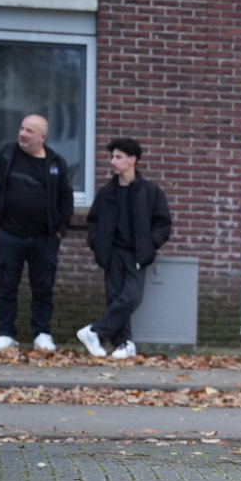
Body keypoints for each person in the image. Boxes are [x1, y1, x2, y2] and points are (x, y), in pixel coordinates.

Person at [0, 114, 74, 352]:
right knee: (7, 286)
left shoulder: (55, 164)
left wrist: (61, 230)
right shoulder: (6, 155)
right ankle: (6, 333)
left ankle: (42, 334)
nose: (22, 134)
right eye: (21, 128)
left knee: (43, 288)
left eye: (29, 131)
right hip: (10, 235)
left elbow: (65, 198)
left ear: (42, 137)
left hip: (45, 239)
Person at [77, 137, 172, 360]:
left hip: (137, 253)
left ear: (132, 160)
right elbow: (93, 221)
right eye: (112, 157)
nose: (113, 161)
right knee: (115, 297)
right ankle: (124, 343)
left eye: (118, 157)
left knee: (131, 297)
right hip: (111, 254)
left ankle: (95, 332)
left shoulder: (150, 192)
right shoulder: (106, 193)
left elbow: (163, 223)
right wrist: (97, 243)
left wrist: (150, 244)